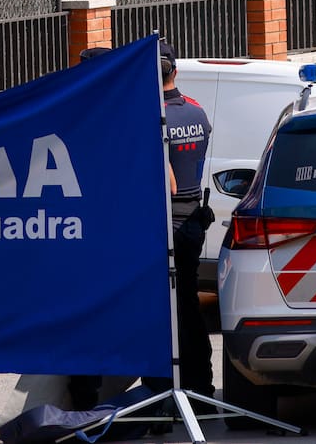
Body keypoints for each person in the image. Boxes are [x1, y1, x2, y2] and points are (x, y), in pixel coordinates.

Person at [142, 41, 214, 402]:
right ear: (176, 71)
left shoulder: (150, 117)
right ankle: (202, 385)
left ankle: (160, 392)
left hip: (164, 222)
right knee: (187, 302)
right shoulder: (197, 112)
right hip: (193, 220)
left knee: (159, 310)